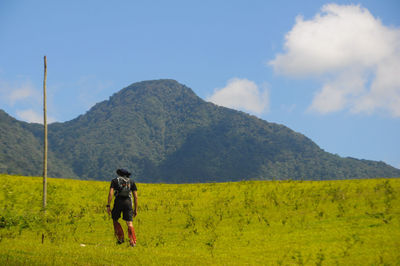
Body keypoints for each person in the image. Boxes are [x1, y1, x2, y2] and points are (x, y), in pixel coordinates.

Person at [107, 168, 138, 247]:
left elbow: (111, 193)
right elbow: (135, 197)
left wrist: (108, 205)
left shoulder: (115, 181)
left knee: (115, 219)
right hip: (128, 202)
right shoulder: (131, 182)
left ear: (119, 174)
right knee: (129, 222)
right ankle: (133, 241)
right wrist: (135, 209)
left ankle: (120, 238)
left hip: (118, 201)